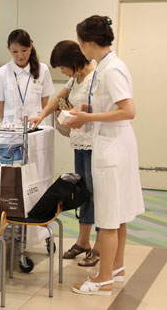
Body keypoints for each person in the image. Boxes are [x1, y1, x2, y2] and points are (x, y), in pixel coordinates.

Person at [68, 15, 145, 295]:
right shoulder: (106, 66)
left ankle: (102, 280)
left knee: (110, 216)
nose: (80, 48)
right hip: (114, 144)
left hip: (113, 147)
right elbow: (108, 102)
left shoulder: (111, 69)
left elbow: (128, 110)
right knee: (119, 212)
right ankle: (117, 266)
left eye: (80, 42)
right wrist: (86, 111)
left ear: (88, 42)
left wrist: (89, 117)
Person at [29, 40, 100, 267]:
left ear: (73, 62)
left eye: (62, 67)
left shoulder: (95, 77)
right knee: (82, 191)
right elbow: (56, 98)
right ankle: (83, 241)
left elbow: (99, 107)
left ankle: (98, 246)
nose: (61, 71)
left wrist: (81, 111)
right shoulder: (75, 78)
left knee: (96, 193)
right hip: (79, 142)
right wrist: (40, 116)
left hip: (94, 143)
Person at [0, 29, 54, 124]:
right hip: (11, 130)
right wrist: (10, 123)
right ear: (8, 49)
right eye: (15, 52)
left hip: (36, 126)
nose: (20, 56)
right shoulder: (1, 73)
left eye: (24, 50)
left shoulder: (43, 69)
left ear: (31, 47)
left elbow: (45, 101)